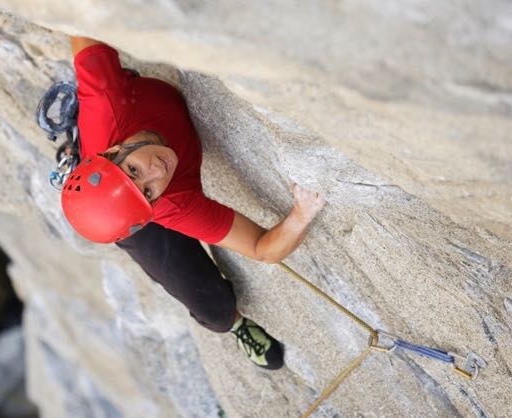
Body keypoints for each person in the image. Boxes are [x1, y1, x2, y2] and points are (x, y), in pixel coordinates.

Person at [61, 37, 326, 369]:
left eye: (133, 169)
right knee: (211, 306)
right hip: (131, 220)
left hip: (111, 182)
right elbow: (262, 248)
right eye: (146, 188)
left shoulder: (106, 101)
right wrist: (302, 214)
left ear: (114, 151)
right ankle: (235, 325)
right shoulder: (171, 203)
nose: (155, 171)